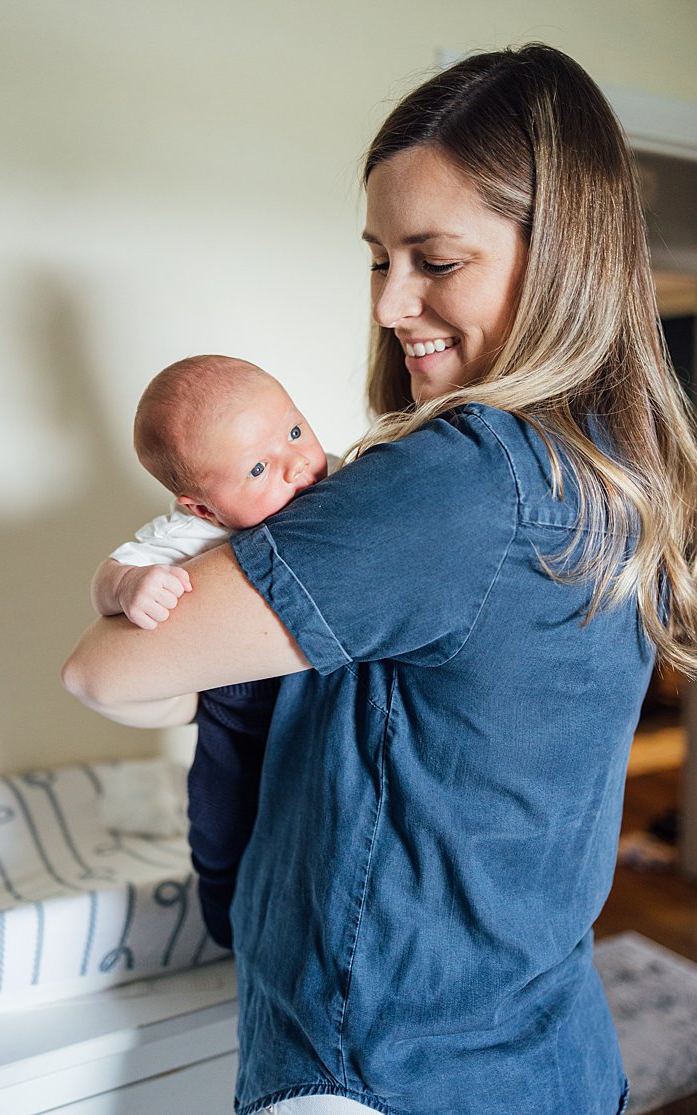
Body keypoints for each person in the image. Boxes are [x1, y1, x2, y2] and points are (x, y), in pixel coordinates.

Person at [63, 44, 697, 1115]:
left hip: (385, 1069)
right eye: (377, 258)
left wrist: (168, 564)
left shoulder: (456, 485)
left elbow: (106, 676)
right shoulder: (606, 471)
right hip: (539, 1048)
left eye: (436, 260)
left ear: (563, 259)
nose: (393, 303)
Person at [91, 354, 329, 947]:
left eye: (294, 430)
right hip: (236, 716)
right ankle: (227, 927)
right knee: (222, 821)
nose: (296, 464)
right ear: (202, 507)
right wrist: (128, 588)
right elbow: (109, 575)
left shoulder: (338, 484)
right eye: (258, 467)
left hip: (318, 704)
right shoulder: (188, 535)